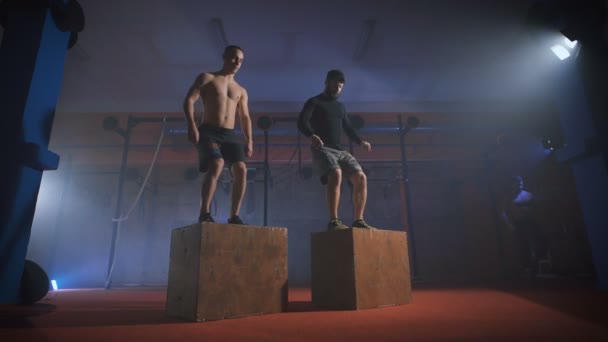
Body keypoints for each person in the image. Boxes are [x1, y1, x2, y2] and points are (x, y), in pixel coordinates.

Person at [297, 69, 376, 231]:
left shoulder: (340, 107)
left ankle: (358, 220)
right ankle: (334, 220)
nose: (337, 89)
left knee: (361, 177)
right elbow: (302, 122)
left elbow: (347, 127)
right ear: (326, 82)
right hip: (322, 148)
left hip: (340, 150)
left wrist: (360, 141)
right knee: (336, 173)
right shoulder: (314, 102)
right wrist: (311, 135)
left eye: (340, 87)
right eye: (335, 85)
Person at [183, 45, 253, 224]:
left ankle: (234, 216)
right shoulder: (207, 78)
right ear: (224, 57)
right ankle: (204, 213)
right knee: (217, 163)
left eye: (241, 60)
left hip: (229, 134)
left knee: (242, 170)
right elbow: (189, 100)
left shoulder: (241, 90)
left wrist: (250, 140)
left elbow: (245, 117)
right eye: (234, 58)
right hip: (208, 131)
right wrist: (192, 125)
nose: (237, 62)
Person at [501, 176, 549, 276]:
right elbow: (504, 213)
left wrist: (540, 221)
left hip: (532, 223)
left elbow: (538, 209)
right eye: (517, 182)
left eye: (521, 182)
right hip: (518, 224)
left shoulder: (529, 195)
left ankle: (537, 264)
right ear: (512, 184)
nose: (520, 184)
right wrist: (510, 225)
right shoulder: (509, 197)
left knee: (537, 243)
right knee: (523, 246)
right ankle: (527, 267)